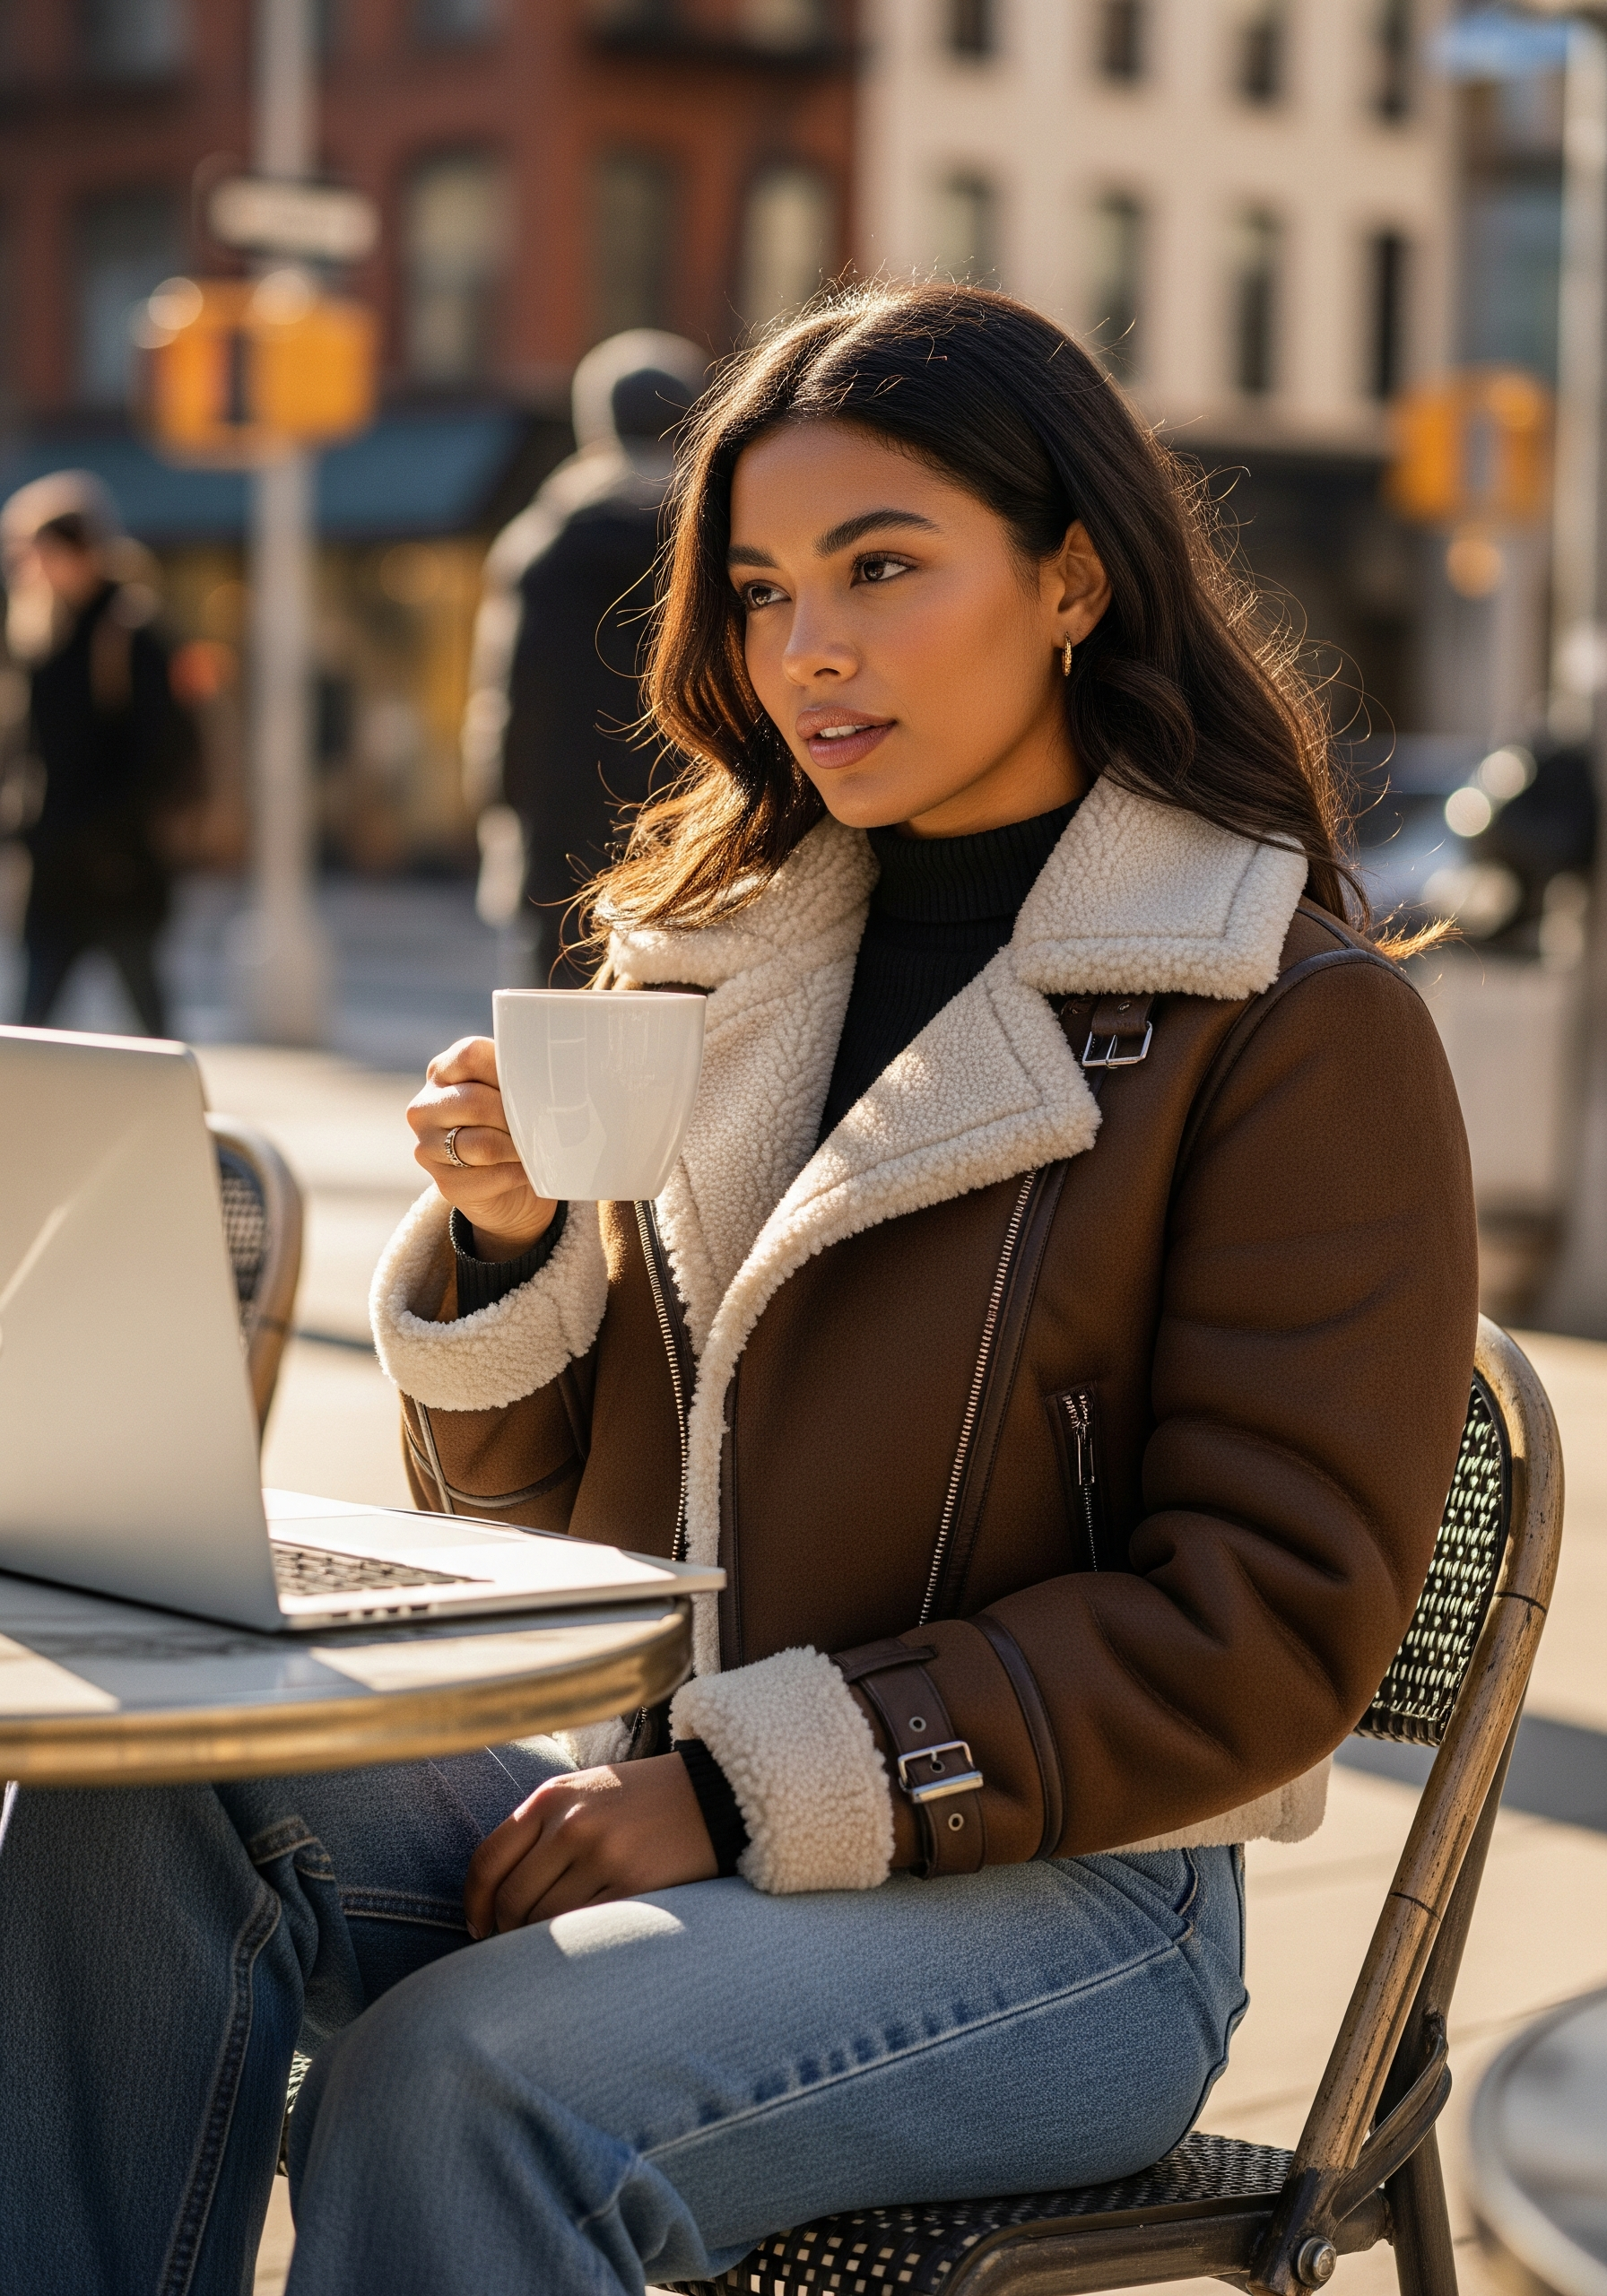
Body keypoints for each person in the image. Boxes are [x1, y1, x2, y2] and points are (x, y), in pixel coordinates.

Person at [0, 284, 1479, 2296]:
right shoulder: (712, 964)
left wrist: (734, 1784)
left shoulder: (1281, 1018)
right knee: (141, 1792)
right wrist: (518, 1241)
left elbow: (1270, 1623)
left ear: (1069, 580)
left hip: (1072, 1905)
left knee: (462, 2076)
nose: (810, 650)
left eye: (882, 567)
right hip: (651, 1784)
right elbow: (531, 1533)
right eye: (766, 588)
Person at [463, 328, 707, 983]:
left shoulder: (548, 542)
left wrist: (505, 817)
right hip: (706, 830)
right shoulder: (726, 537)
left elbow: (517, 706)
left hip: (570, 843)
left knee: (568, 1038)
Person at [0, 471, 199, 1036]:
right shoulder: (36, 634)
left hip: (120, 872)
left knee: (150, 1030)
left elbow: (163, 754)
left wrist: (100, 830)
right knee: (30, 1035)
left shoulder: (132, 632)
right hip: (50, 872)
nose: (26, 569)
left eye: (37, 553)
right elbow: (24, 748)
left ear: (82, 552)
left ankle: (175, 1125)